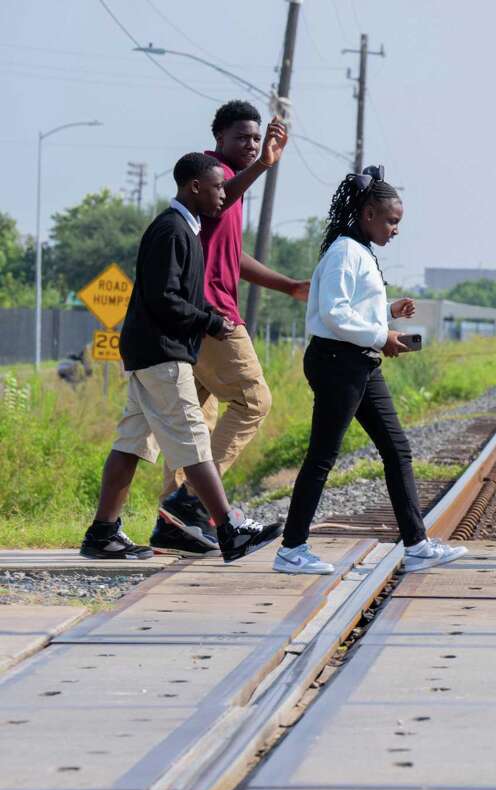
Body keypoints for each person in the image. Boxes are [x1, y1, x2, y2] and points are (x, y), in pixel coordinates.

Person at [79, 152, 282, 563]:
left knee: (132, 443)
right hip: (162, 352)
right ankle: (229, 527)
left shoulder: (182, 229)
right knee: (193, 439)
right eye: (217, 187)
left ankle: (102, 533)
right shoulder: (172, 231)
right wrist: (209, 321)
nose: (224, 194)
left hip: (152, 351)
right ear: (194, 187)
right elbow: (163, 297)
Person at [276, 166, 466, 575]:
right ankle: (291, 549)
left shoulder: (360, 251)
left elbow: (351, 311)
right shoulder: (346, 251)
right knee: (322, 456)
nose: (396, 230)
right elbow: (333, 313)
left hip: (357, 361)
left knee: (397, 449)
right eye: (392, 221)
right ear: (368, 215)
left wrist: (386, 312)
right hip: (337, 362)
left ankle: (416, 545)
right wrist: (382, 336)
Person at [153, 100, 309, 557]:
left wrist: (287, 285)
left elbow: (232, 256)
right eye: (242, 137)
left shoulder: (226, 191)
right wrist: (262, 164)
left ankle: (174, 525)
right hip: (211, 317)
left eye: (257, 138)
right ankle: (193, 502)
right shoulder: (213, 178)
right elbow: (225, 204)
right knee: (253, 399)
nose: (252, 144)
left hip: (195, 317)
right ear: (219, 138)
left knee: (196, 422)